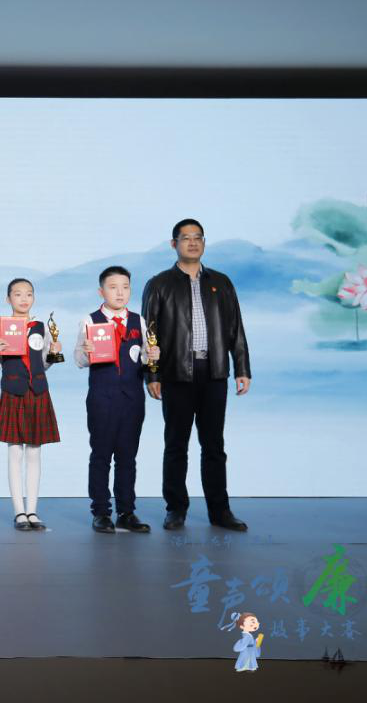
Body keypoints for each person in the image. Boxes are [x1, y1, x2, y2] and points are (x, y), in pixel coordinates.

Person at [141, 219, 251, 532]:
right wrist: (152, 375)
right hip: (176, 373)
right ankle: (176, 509)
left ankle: (220, 511)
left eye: (198, 237)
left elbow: (235, 328)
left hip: (214, 372)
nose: (192, 242)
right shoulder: (160, 284)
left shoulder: (221, 282)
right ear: (173, 243)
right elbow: (149, 334)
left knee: (214, 445)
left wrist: (242, 368)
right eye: (186, 237)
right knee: (176, 445)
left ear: (204, 242)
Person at [74, 266, 159, 534]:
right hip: (102, 396)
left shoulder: (138, 320)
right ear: (101, 291)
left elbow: (143, 357)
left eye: (125, 287)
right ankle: (101, 512)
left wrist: (153, 355)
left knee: (128, 456)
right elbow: (79, 360)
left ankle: (126, 512)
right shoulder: (90, 320)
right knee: (101, 455)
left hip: (132, 398)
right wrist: (86, 351)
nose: (120, 293)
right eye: (113, 287)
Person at [0, 278, 61, 532]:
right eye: (17, 294)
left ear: (34, 298)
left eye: (29, 294)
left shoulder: (41, 326)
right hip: (13, 391)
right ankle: (19, 511)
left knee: (35, 453)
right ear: (8, 299)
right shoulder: (1, 326)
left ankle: (33, 510)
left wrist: (54, 353)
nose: (24, 299)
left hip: (38, 390)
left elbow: (44, 363)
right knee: (15, 453)